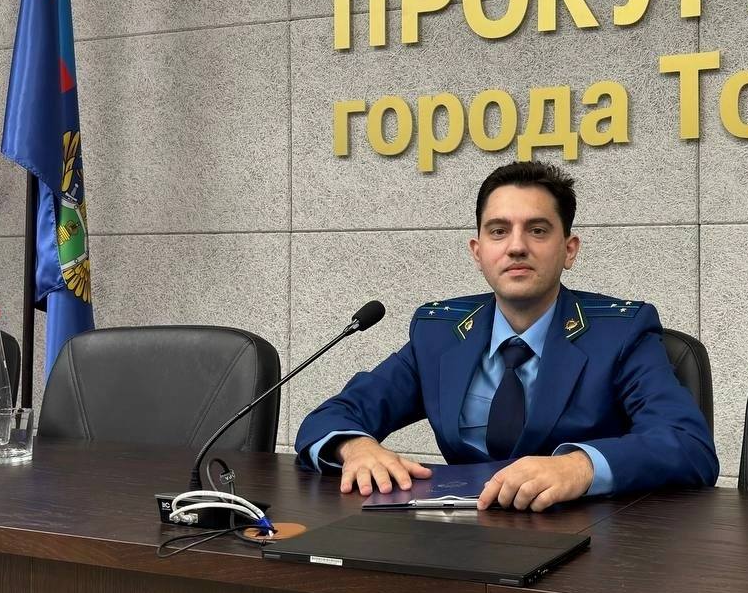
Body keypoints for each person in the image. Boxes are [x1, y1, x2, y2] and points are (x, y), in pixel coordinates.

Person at [295, 161, 717, 511]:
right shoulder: (440, 334)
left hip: (587, 543)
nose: (516, 247)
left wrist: (579, 467)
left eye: (537, 230)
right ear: (478, 252)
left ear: (569, 249)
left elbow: (688, 445)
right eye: (498, 231)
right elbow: (336, 414)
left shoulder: (620, 332)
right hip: (461, 542)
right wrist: (356, 447)